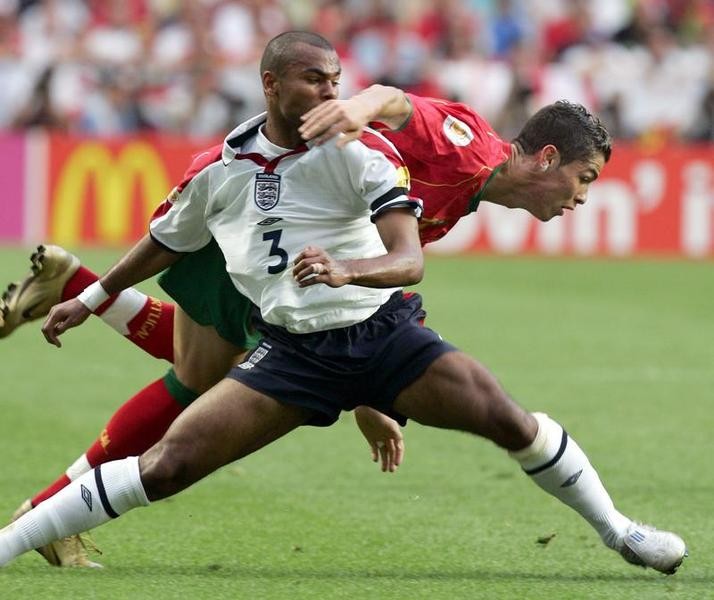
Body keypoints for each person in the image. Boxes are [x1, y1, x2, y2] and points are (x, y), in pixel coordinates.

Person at [0, 31, 687, 575]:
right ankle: (46, 510)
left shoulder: (446, 188)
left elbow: (394, 262)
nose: (583, 197)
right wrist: (353, 112)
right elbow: (391, 100)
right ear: (543, 158)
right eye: (584, 179)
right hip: (253, 236)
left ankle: (73, 311)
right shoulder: (466, 147)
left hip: (344, 304)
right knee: (195, 379)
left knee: (208, 367)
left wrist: (368, 384)